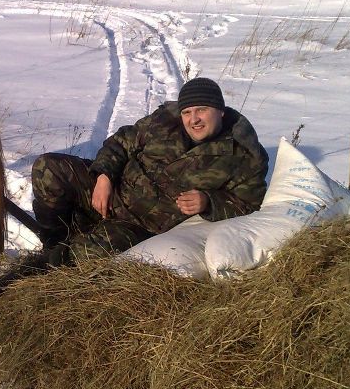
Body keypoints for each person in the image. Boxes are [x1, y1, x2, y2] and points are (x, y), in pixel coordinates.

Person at [26, 77, 270, 269]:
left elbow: (249, 203)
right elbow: (122, 142)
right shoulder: (163, 121)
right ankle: (54, 240)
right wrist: (104, 176)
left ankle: (46, 265)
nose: (193, 119)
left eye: (202, 110)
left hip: (139, 225)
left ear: (221, 111)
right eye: (187, 112)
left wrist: (209, 201)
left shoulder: (243, 154)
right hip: (114, 192)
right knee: (48, 168)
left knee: (85, 253)